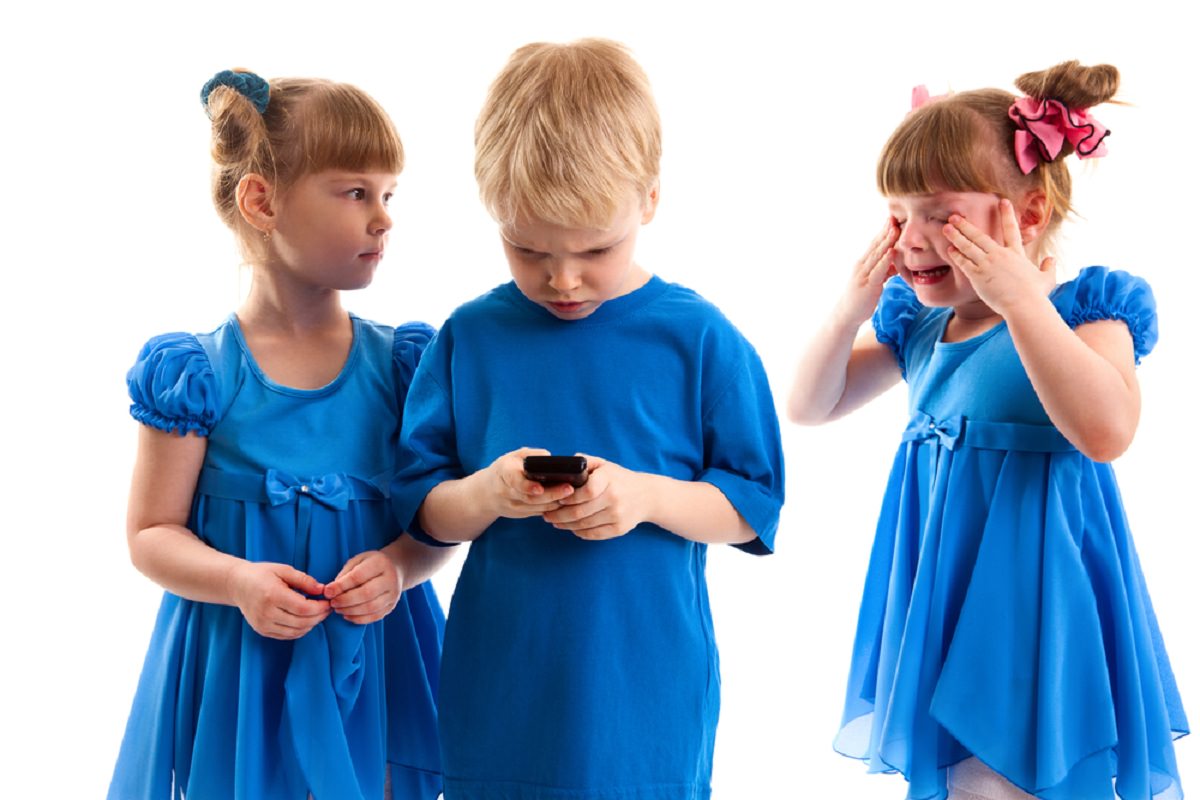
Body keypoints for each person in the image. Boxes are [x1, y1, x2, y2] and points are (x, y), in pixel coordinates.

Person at [390, 39, 785, 800]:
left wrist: (645, 497)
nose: (560, 278)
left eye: (595, 249)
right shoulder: (471, 338)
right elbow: (422, 508)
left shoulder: (698, 339)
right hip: (501, 681)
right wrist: (489, 494)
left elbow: (750, 507)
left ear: (650, 200)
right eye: (527, 247)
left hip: (644, 690)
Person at [788, 61, 1188, 799]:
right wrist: (849, 308)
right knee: (973, 781)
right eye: (897, 215)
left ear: (1027, 215)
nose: (911, 240)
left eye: (939, 215)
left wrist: (1022, 302)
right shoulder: (922, 331)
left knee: (1034, 773)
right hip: (947, 592)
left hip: (1043, 599)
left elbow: (1106, 429)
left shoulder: (1086, 313)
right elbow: (810, 405)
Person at [108, 69, 448, 800]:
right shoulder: (196, 375)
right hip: (240, 666)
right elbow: (150, 534)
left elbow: (436, 521)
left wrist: (398, 567)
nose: (383, 219)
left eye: (390, 195)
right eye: (356, 192)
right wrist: (238, 581)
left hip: (375, 664)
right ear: (262, 200)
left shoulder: (402, 369)